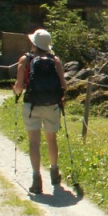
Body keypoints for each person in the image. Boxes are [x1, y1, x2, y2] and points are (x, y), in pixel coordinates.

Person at [13, 28, 68, 195]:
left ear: (34, 43)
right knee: (51, 139)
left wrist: (16, 91)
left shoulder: (25, 60)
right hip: (51, 105)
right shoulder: (55, 60)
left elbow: (19, 87)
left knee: (34, 142)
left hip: (32, 105)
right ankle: (54, 171)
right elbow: (64, 86)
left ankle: (36, 179)